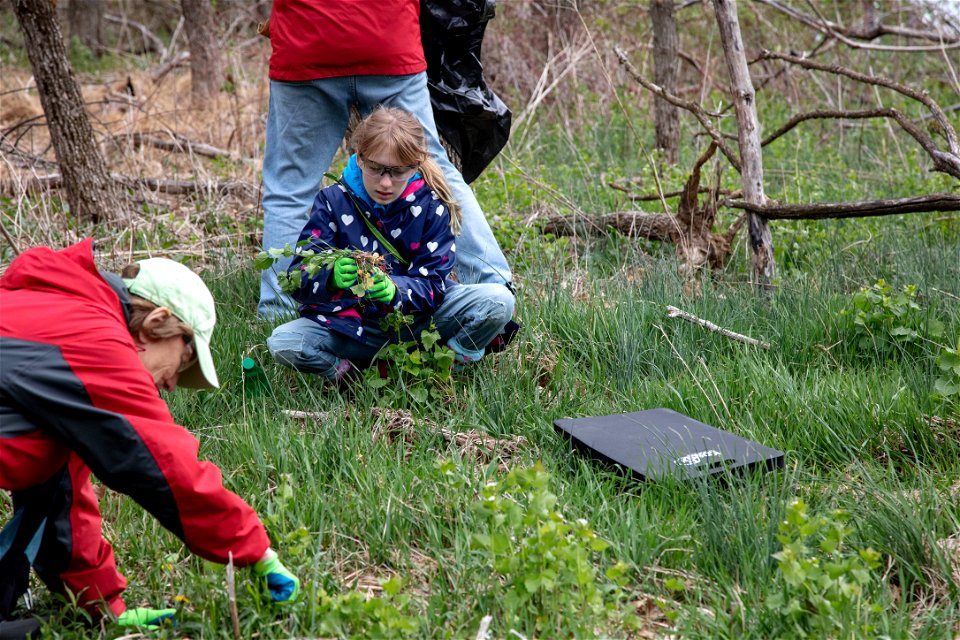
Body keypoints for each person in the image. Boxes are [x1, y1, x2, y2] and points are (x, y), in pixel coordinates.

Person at [0, 240, 300, 631]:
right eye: (184, 360)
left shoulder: (52, 312)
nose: (173, 383)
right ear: (155, 324)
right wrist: (255, 549)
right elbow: (166, 468)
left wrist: (103, 608)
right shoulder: (94, 341)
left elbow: (63, 497)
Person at [257, 0, 514, 321]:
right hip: (387, 36)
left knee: (289, 189)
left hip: (306, 40)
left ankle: (277, 313)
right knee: (433, 166)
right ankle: (495, 283)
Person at [267, 107, 514, 380]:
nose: (385, 182)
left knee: (499, 301)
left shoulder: (431, 205)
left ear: (416, 164)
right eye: (376, 169)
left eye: (398, 172)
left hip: (418, 324)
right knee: (284, 342)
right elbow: (296, 277)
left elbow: (434, 283)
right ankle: (352, 379)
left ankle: (445, 368)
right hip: (350, 326)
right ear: (359, 158)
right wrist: (330, 276)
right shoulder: (332, 201)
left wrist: (397, 290)